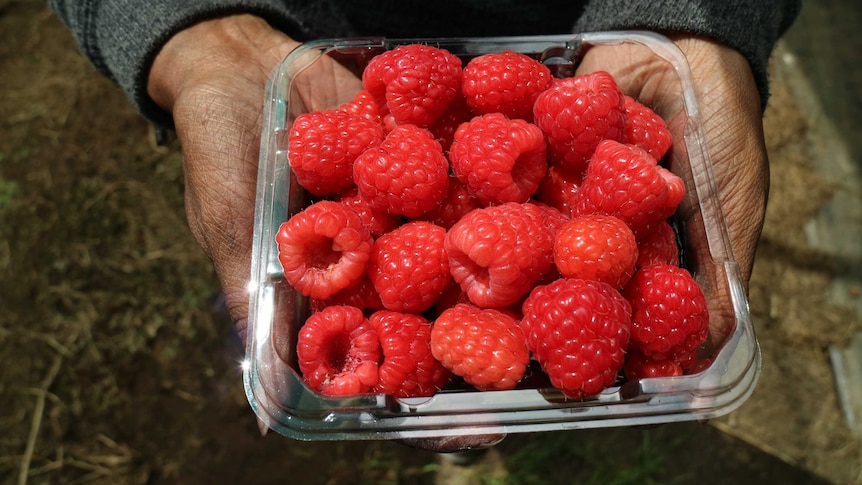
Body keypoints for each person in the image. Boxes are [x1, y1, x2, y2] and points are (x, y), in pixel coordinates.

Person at [46, 0, 800, 452]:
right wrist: (198, 32)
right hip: (298, 30)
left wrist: (698, 19)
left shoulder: (543, 187)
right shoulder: (414, 174)